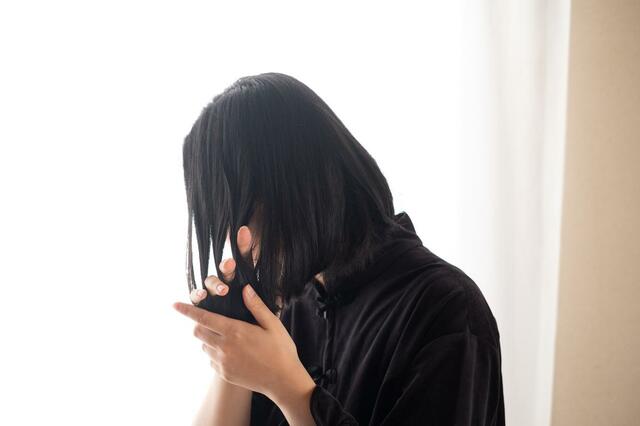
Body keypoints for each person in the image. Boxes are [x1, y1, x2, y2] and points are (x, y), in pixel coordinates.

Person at [173, 72, 505, 425]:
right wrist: (235, 335)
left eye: (235, 214)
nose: (232, 238)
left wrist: (289, 388)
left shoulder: (445, 308)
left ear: (291, 191)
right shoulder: (292, 308)